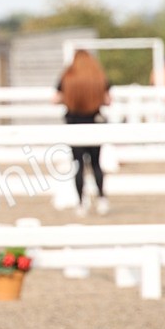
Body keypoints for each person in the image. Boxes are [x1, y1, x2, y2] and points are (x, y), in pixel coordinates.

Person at [55, 50, 112, 216]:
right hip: (94, 123)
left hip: (74, 124)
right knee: (96, 164)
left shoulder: (68, 77)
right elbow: (108, 100)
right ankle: (102, 199)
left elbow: (56, 98)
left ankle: (81, 203)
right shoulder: (98, 76)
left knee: (78, 164)